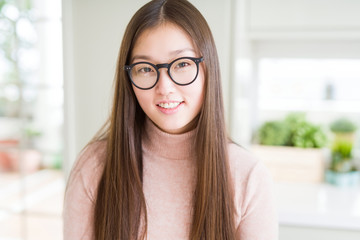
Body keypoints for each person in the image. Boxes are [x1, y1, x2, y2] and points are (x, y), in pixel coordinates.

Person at [63, 0, 278, 239]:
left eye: (183, 64)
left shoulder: (248, 177)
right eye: (145, 69)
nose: (164, 87)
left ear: (209, 68)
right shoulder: (94, 167)